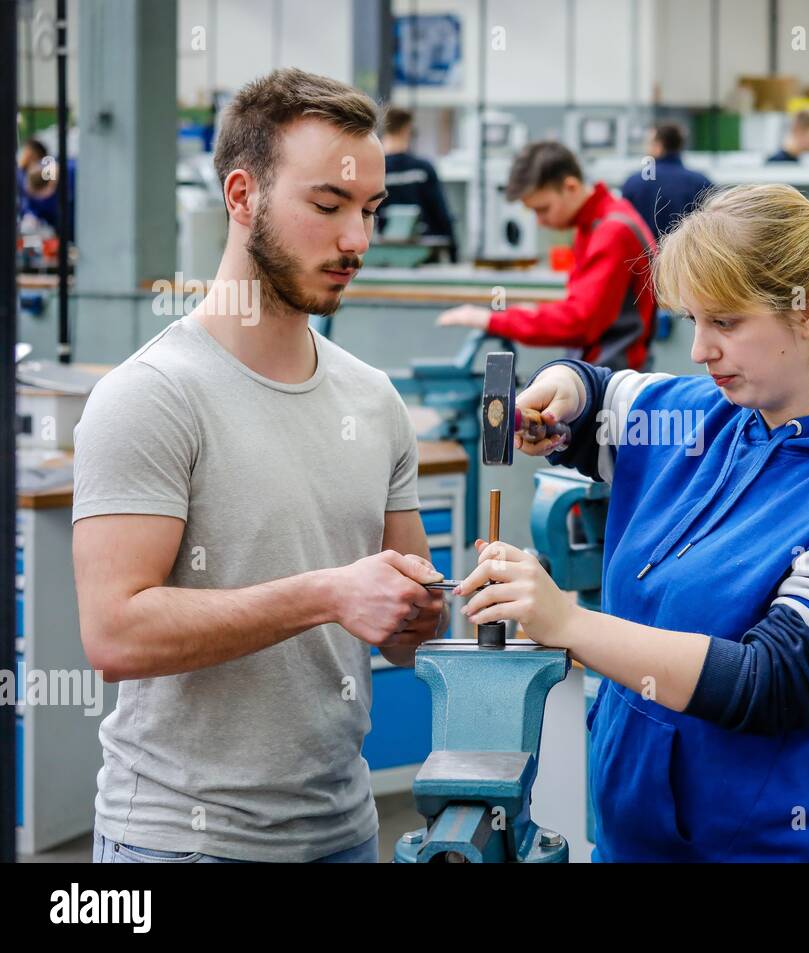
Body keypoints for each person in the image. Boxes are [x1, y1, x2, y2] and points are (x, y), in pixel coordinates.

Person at [451, 183, 809, 861]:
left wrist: (567, 624)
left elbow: (771, 681)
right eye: (692, 320)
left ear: (808, 309)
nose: (699, 350)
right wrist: (562, 391)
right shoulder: (699, 417)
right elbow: (596, 392)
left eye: (725, 323)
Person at [73, 68, 449, 865]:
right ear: (241, 196)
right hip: (179, 842)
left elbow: (412, 637)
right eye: (328, 205)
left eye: (370, 211)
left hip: (343, 831)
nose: (358, 240)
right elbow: (115, 634)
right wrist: (327, 591)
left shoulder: (374, 400)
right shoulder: (152, 396)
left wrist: (433, 609)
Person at [438, 141, 658, 371]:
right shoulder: (600, 221)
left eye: (543, 209)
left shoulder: (612, 232)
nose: (540, 221)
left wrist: (493, 319)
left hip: (613, 380)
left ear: (571, 187)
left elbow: (579, 322)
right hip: (604, 370)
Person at [378, 106, 458, 261]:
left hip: (385, 253)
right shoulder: (422, 169)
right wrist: (454, 253)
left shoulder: (376, 170)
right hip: (423, 253)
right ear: (407, 130)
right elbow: (441, 213)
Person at [619, 122, 713, 241]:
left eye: (649, 144)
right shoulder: (701, 182)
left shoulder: (634, 182)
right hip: (686, 256)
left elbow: (623, 225)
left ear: (658, 147)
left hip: (644, 256)